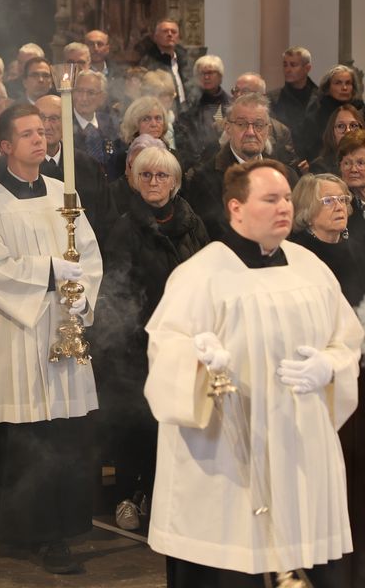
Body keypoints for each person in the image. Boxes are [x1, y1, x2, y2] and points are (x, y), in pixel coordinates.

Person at [145, 159, 363, 586]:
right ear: (237, 208)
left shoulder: (311, 268)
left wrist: (329, 367)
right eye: (270, 199)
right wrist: (197, 360)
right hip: (228, 456)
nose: (283, 207)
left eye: (286, 199)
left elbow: (347, 340)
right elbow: (164, 351)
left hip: (299, 449)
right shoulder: (201, 275)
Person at [0, 102, 103, 575]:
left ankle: (62, 528)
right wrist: (50, 271)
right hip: (17, 330)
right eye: (27, 134)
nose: (39, 139)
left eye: (42, 132)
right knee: (27, 430)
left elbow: (89, 255)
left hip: (64, 325)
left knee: (65, 428)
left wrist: (81, 295)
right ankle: (31, 528)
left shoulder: (64, 193)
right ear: (5, 145)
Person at [98, 145, 207, 531]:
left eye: (162, 175)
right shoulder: (125, 228)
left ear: (175, 182)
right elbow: (117, 288)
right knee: (138, 424)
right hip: (139, 343)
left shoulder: (192, 223)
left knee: (177, 423)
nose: (154, 182)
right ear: (134, 180)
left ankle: (164, 497)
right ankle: (128, 496)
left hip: (185, 340)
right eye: (146, 175)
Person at [183, 93, 298, 241]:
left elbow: (294, 229)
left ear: (268, 130)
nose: (250, 132)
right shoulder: (204, 179)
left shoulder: (286, 176)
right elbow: (213, 233)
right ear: (228, 128)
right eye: (242, 124)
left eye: (258, 125)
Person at [290, 173, 365, 304]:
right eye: (328, 201)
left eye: (342, 199)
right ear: (307, 211)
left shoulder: (361, 251)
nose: (339, 207)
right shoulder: (296, 256)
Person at [35, 94, 117, 241]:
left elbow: (107, 219)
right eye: (41, 118)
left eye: (54, 118)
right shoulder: (22, 167)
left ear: (67, 122)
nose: (46, 126)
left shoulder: (88, 166)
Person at [300, 64, 362, 161]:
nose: (344, 88)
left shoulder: (360, 110)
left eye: (348, 83)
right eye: (338, 83)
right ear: (327, 88)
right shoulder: (316, 113)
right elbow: (310, 147)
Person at [269, 46, 316, 153]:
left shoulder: (320, 98)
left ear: (307, 68)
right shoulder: (273, 99)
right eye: (285, 65)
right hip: (284, 156)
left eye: (293, 65)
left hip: (314, 158)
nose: (288, 70)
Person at [309, 104, 364, 176]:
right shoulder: (320, 167)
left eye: (353, 125)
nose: (348, 131)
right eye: (341, 126)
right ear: (332, 132)